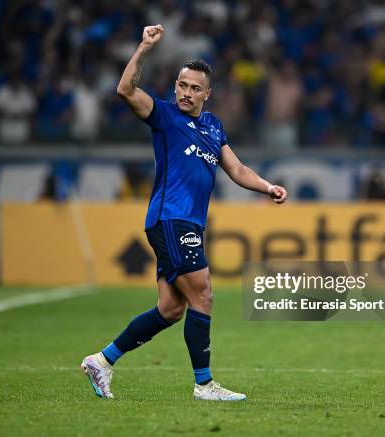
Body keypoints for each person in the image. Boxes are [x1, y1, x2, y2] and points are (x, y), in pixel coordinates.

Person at [81, 25, 287, 401]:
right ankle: (204, 385)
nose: (186, 93)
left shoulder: (212, 127)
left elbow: (237, 170)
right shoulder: (163, 116)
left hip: (187, 222)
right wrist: (143, 48)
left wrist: (267, 186)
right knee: (204, 294)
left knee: (172, 308)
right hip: (170, 219)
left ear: (207, 94)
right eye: (182, 85)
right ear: (174, 86)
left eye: (195, 88)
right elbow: (125, 90)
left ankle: (102, 360)